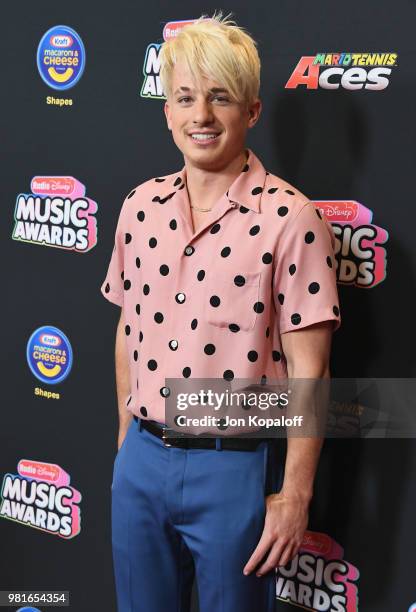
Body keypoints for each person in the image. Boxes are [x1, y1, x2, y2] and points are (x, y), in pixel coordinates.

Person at [100, 11, 341, 612]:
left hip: (233, 470)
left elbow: (312, 373)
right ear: (167, 111)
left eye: (219, 98)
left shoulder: (292, 219)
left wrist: (294, 496)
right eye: (184, 98)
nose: (201, 116)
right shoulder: (139, 207)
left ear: (252, 111)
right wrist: (127, 440)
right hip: (140, 467)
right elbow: (129, 328)